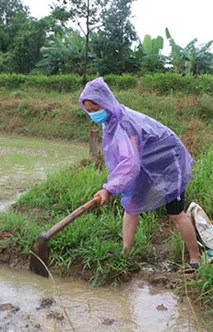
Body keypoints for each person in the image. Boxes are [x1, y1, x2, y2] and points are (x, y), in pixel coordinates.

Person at [80, 77, 201, 272]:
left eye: (96, 108)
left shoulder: (124, 123)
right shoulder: (111, 120)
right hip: (146, 163)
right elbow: (127, 159)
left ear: (106, 102)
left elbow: (130, 162)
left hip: (170, 161)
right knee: (131, 206)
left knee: (175, 212)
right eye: (90, 111)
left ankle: (196, 259)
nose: (94, 114)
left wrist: (109, 189)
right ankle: (125, 255)